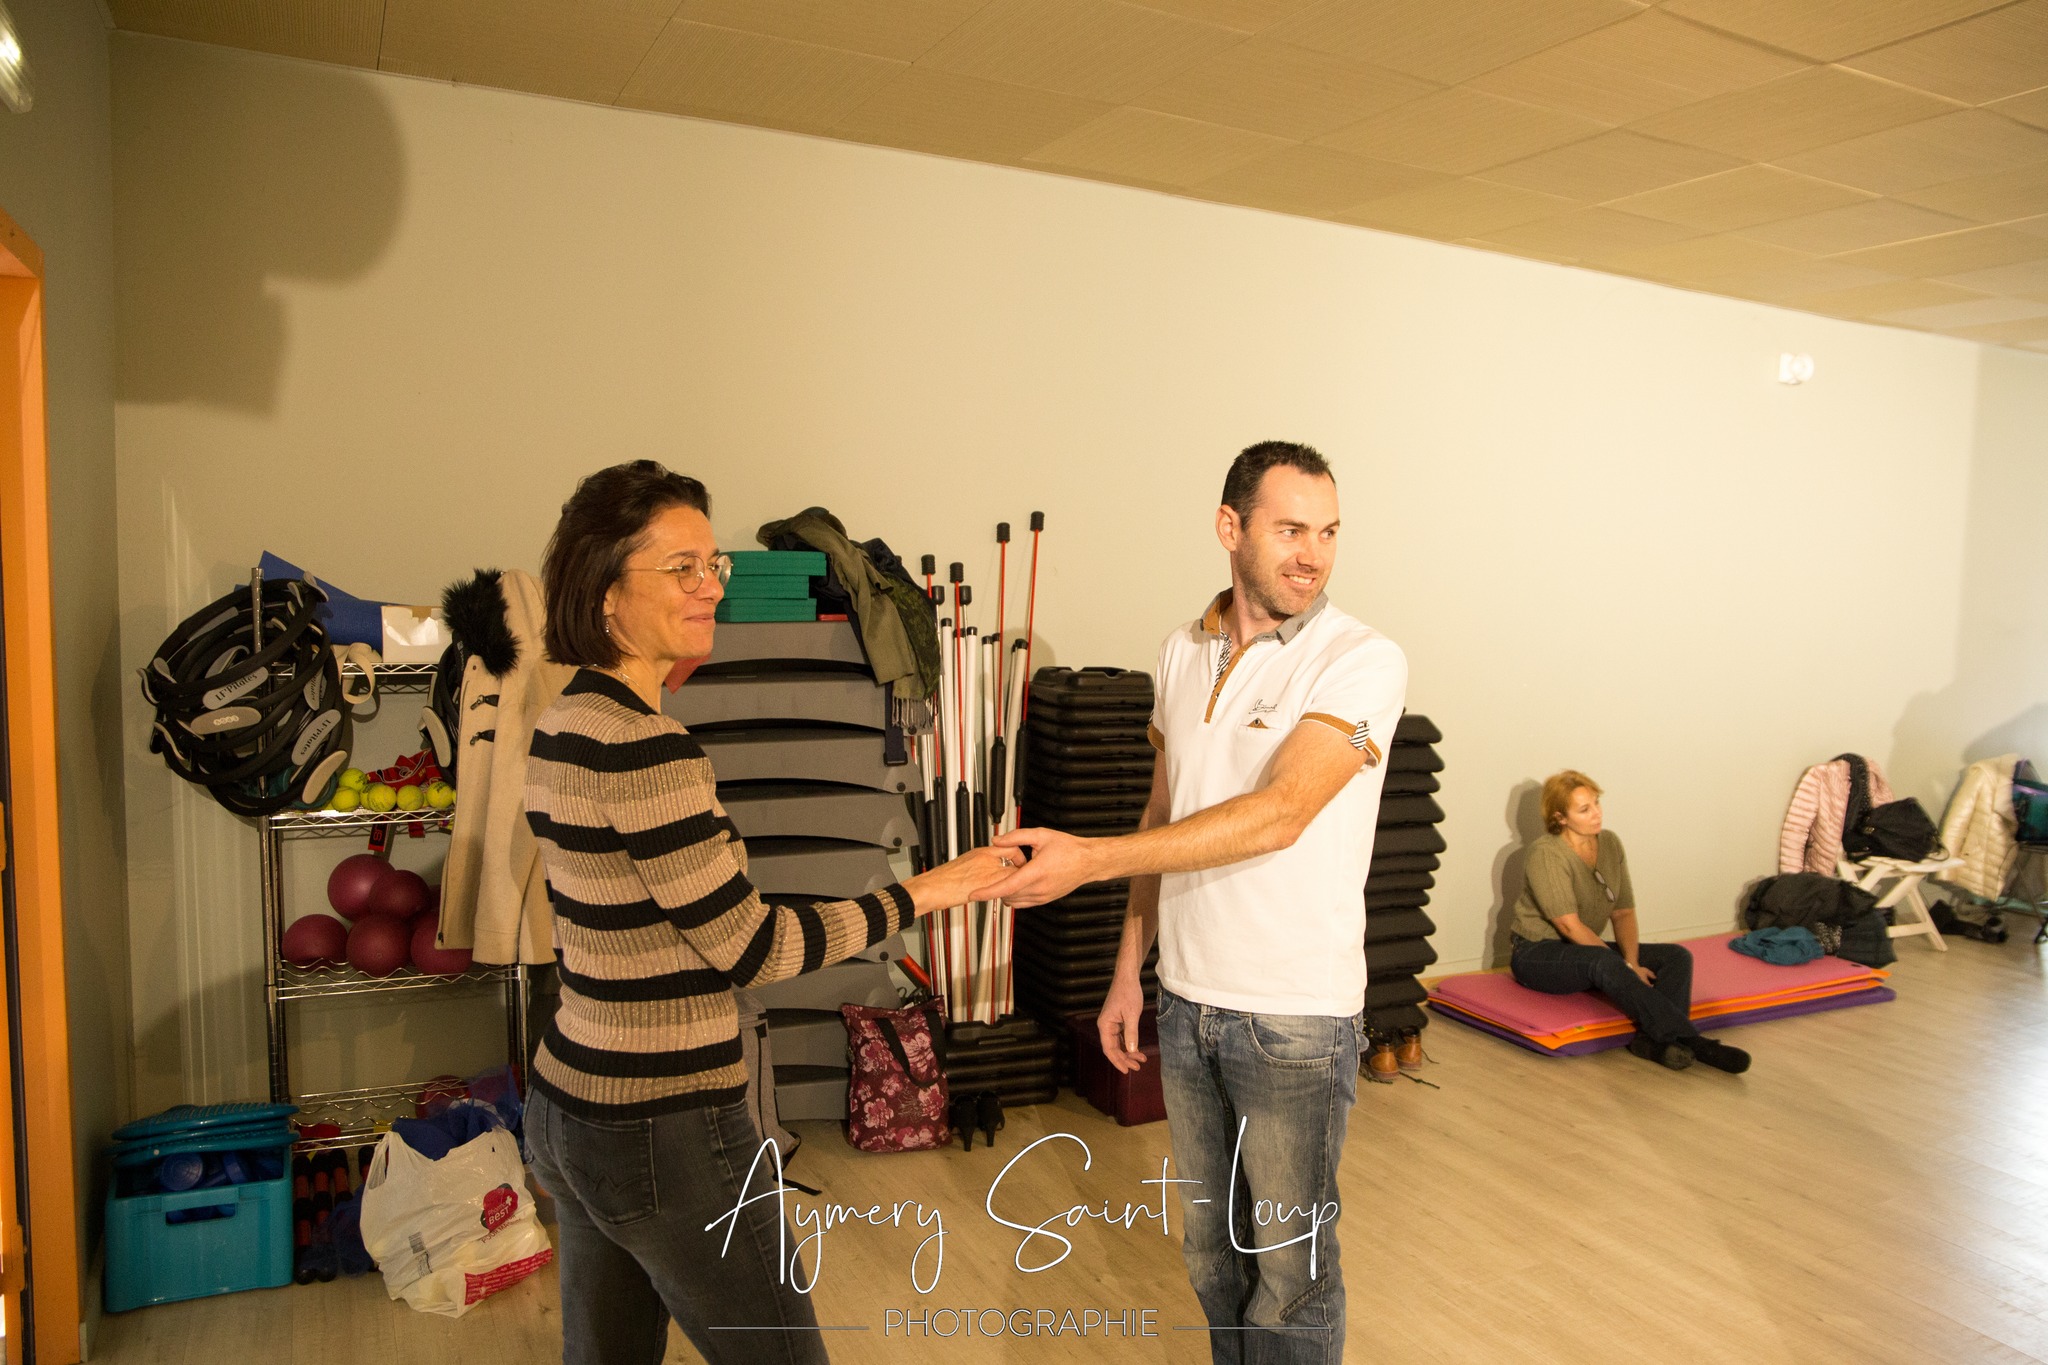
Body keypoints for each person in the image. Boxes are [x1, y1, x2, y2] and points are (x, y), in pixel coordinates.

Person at [520, 461, 1005, 1365]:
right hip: (665, 1120)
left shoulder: (565, 722)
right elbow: (756, 948)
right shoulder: (648, 748)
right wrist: (929, 889)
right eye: (681, 568)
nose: (710, 586)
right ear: (605, 591)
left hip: (569, 1106)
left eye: (715, 565)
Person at [978, 441, 1402, 1364]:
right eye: (1291, 529)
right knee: (1213, 1257)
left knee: (1289, 1278)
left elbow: (1281, 812)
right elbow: (1164, 813)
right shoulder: (1181, 650)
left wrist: (1089, 860)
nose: (1314, 555)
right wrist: (1128, 971)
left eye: (1329, 532)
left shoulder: (1361, 659)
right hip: (1186, 1004)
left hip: (1295, 1017)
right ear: (1229, 527)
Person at [1509, 771, 1750, 1074]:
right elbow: (1569, 926)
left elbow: (1623, 912)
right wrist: (1624, 967)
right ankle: (1693, 1040)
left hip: (1581, 950)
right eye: (1584, 809)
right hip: (1536, 954)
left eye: (1596, 803)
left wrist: (1632, 962)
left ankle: (1652, 1043)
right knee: (1602, 960)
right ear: (1560, 817)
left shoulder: (1609, 843)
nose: (1597, 813)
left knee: (1676, 957)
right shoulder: (1546, 854)